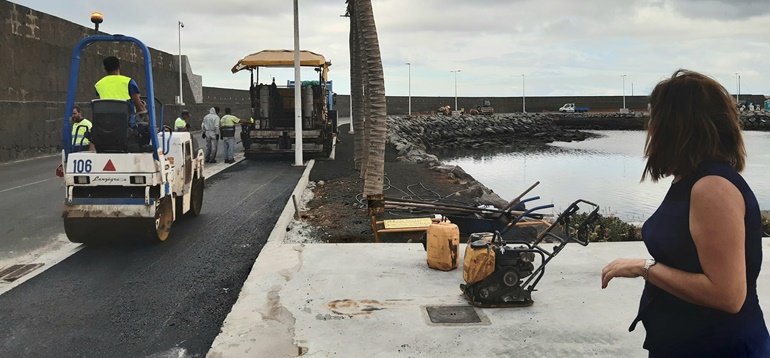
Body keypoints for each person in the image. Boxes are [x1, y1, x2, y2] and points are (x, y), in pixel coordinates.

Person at [601, 69, 770, 356]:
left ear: (674, 125)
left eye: (654, 116)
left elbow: (728, 295)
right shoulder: (690, 179)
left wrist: (645, 268)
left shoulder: (712, 187)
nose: (649, 126)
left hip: (718, 347)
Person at [94, 56, 147, 124]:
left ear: (105, 69)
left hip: (105, 123)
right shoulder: (129, 82)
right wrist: (148, 121)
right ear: (119, 66)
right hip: (126, 124)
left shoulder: (98, 84)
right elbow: (139, 107)